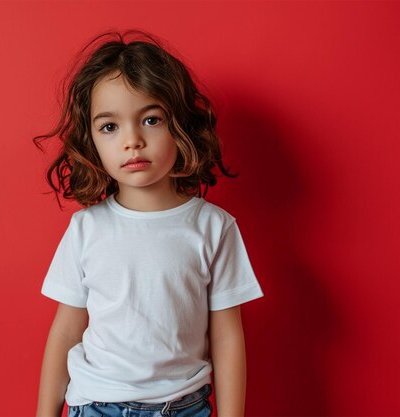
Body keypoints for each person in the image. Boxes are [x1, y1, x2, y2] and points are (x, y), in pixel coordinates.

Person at [34, 30, 264, 417]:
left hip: (185, 407)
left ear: (180, 126)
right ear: (91, 141)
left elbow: (226, 336)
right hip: (96, 405)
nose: (132, 141)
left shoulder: (214, 227)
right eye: (110, 127)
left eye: (151, 119)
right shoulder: (86, 229)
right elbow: (66, 331)